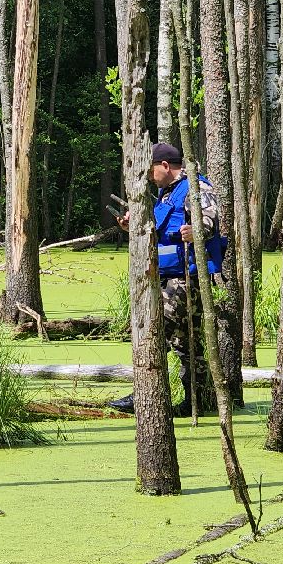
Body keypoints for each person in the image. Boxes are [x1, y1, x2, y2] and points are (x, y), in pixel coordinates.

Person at [109, 142, 226, 415]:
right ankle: (198, 400)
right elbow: (158, 231)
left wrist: (195, 230)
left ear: (164, 165)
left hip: (186, 279)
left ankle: (144, 396)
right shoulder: (165, 194)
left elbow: (209, 219)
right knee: (187, 342)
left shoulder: (197, 188)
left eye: (150, 170)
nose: (148, 177)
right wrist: (131, 226)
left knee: (155, 331)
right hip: (166, 275)